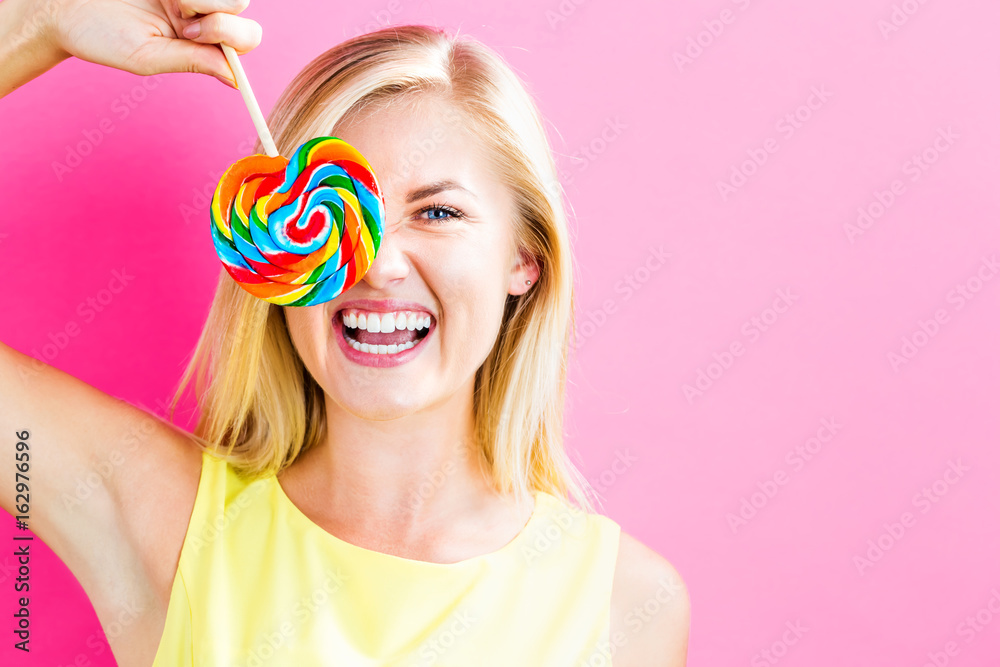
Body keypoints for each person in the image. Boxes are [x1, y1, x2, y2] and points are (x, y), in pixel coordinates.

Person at [0, 1, 690, 665]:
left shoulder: (624, 606)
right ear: (275, 247)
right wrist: (42, 18)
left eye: (439, 212)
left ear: (523, 259)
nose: (378, 265)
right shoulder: (169, 520)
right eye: (333, 205)